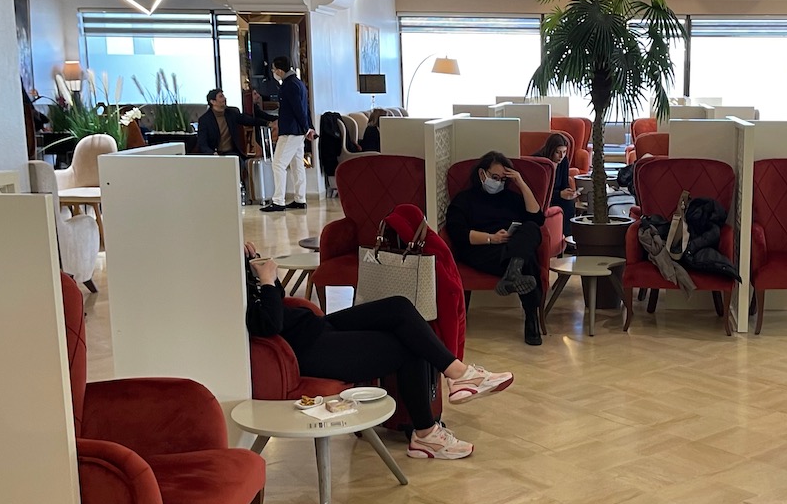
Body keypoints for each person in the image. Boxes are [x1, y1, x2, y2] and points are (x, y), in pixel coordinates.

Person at [244, 242, 512, 459]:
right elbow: (269, 323)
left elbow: (274, 303)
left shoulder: (236, 275)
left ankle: (458, 374)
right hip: (305, 350)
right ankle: (426, 433)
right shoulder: (226, 292)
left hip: (314, 328)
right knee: (409, 344)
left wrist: (257, 270)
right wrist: (266, 280)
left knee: (399, 306)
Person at [446, 151, 545, 347]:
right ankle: (531, 319)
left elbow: (537, 219)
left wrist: (521, 183)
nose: (498, 182)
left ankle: (514, 271)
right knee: (528, 261)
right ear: (482, 174)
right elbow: (457, 233)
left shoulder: (511, 197)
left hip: (511, 247)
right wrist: (492, 238)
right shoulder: (464, 199)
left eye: (502, 179)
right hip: (481, 249)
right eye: (494, 177)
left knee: (531, 229)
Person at [264, 56, 313, 213]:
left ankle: (278, 201)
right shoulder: (298, 83)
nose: (273, 73)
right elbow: (305, 108)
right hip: (298, 131)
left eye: (273, 70)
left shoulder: (288, 85)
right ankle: (300, 199)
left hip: (291, 131)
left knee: (278, 164)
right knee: (297, 165)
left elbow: (298, 109)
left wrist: (306, 128)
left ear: (279, 70)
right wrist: (308, 127)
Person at [196, 88, 268, 162]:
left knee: (240, 164)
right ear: (213, 101)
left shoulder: (231, 113)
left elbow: (248, 120)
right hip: (215, 154)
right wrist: (212, 153)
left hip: (231, 153)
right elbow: (202, 143)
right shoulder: (204, 120)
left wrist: (267, 123)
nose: (224, 98)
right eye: (221, 97)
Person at [532, 132, 578, 245]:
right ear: (551, 150)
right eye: (558, 152)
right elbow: (539, 191)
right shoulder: (539, 161)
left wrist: (569, 193)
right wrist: (559, 194)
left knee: (569, 202)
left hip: (556, 194)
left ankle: (567, 238)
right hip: (541, 198)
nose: (561, 156)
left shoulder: (564, 161)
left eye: (564, 152)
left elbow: (564, 185)